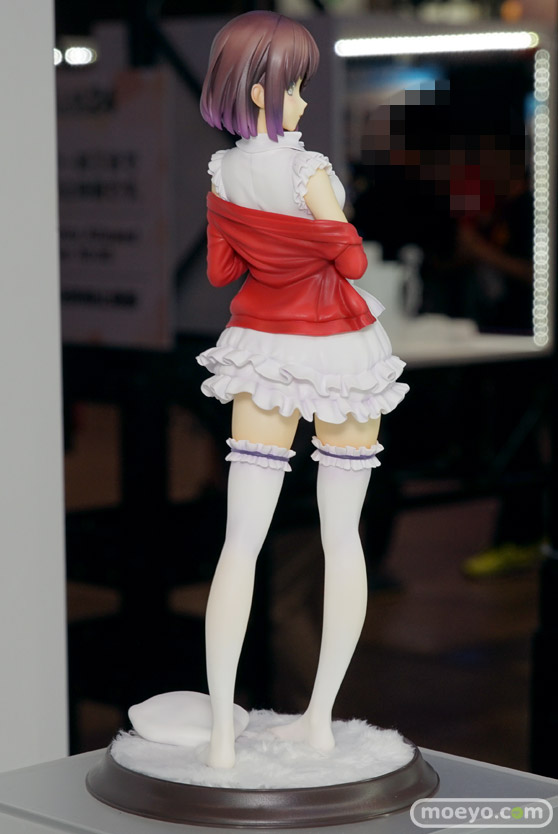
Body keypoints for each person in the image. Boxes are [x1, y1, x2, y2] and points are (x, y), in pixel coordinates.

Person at [197, 10, 408, 769]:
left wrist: (269, 242)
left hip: (262, 349)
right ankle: (318, 720)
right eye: (294, 87)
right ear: (261, 90)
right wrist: (313, 237)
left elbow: (222, 270)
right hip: (338, 350)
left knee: (240, 540)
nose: (304, 101)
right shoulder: (309, 170)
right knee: (340, 536)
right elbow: (351, 261)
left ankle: (223, 736)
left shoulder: (222, 172)